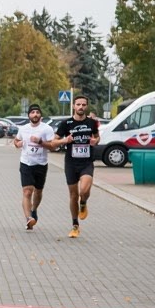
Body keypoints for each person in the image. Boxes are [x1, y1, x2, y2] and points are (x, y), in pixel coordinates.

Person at [53, 94, 100, 238]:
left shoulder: (92, 123)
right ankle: (75, 225)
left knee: (84, 190)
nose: (81, 107)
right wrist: (65, 140)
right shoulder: (66, 124)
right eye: (78, 104)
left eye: (83, 105)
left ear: (87, 106)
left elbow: (97, 137)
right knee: (73, 195)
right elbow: (54, 141)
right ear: (74, 106)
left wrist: (95, 141)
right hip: (71, 163)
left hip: (86, 162)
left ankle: (84, 202)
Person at [12, 103, 57, 230]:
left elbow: (53, 146)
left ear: (40, 115)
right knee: (27, 191)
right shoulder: (24, 128)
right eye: (32, 112)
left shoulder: (46, 129)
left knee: (38, 191)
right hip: (26, 163)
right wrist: (18, 143)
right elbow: (16, 141)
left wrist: (41, 142)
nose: (35, 114)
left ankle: (34, 209)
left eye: (37, 112)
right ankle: (29, 219)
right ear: (29, 115)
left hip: (41, 164)